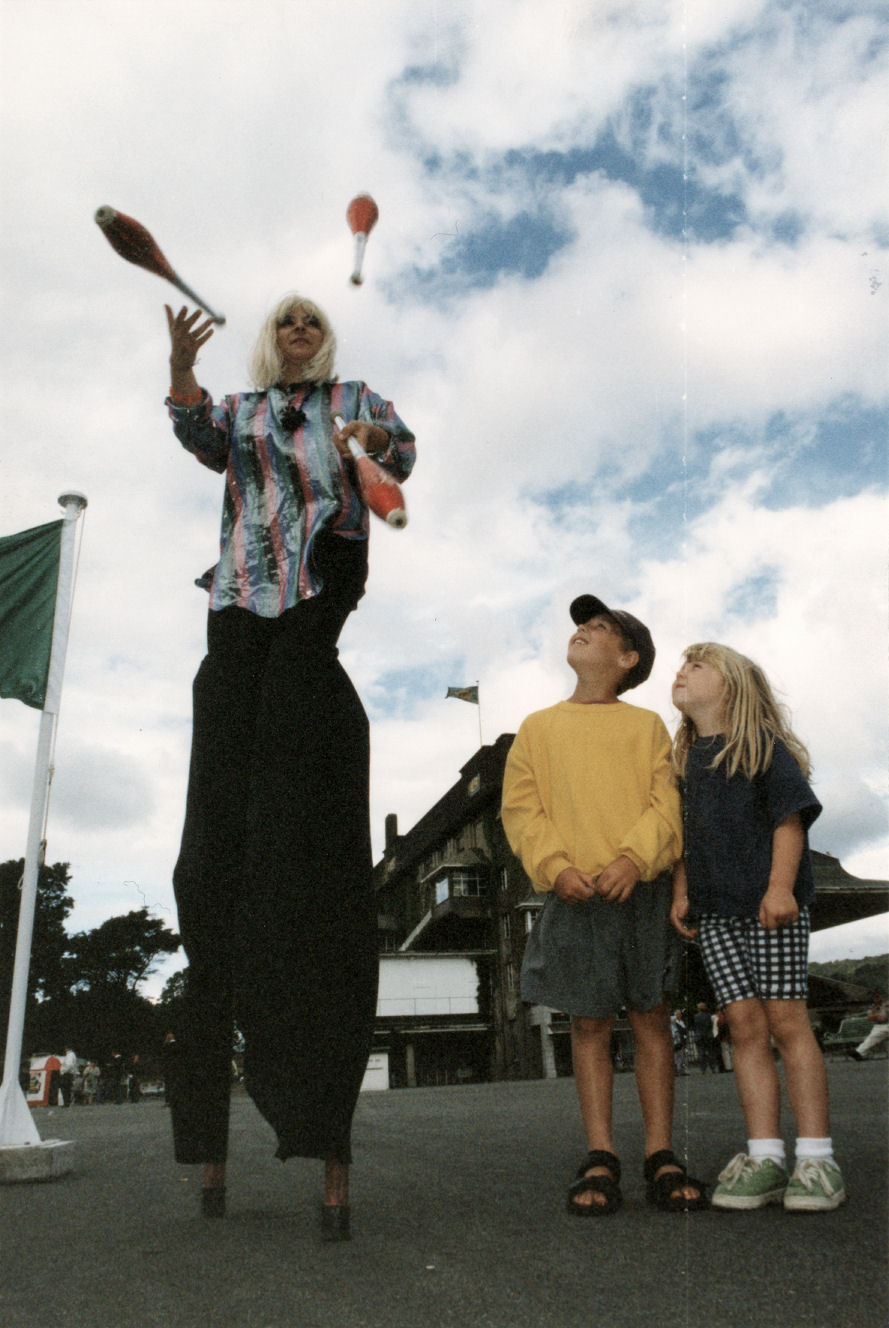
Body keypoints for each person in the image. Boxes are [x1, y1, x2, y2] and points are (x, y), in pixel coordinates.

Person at [164, 295, 415, 1237]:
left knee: (295, 857)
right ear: (271, 340)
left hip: (312, 609)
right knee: (213, 862)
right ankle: (211, 1142)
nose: (301, 329)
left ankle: (322, 1133)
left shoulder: (357, 396)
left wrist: (369, 445)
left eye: (313, 321)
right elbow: (194, 433)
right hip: (237, 615)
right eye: (288, 321)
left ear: (327, 339)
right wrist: (182, 370)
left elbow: (398, 461)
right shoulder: (240, 410)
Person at [502, 594, 708, 1216]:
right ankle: (600, 1153)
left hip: (639, 890)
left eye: (601, 629)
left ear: (627, 659)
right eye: (583, 626)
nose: (585, 632)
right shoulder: (537, 727)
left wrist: (632, 859)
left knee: (650, 1016)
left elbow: (667, 806)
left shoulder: (646, 727)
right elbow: (522, 809)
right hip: (574, 892)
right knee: (588, 1025)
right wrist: (555, 867)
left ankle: (660, 1153)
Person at [671, 642, 846, 1212]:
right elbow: (683, 842)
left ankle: (817, 1160)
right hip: (716, 911)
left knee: (787, 1021)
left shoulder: (763, 747)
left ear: (733, 684)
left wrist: (778, 887)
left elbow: (789, 820)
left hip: (770, 906)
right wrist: (681, 892)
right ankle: (766, 1156)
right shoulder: (684, 762)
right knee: (743, 1026)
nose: (682, 672)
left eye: (697, 665)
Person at [850, 992, 889, 1060]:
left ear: (881, 996)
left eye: (878, 997)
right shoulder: (872, 1007)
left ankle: (859, 1052)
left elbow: (884, 1016)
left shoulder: (886, 1003)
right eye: (875, 997)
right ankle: (859, 1052)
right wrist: (876, 1015)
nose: (876, 999)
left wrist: (884, 1010)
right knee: (871, 1038)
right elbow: (869, 1018)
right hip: (879, 1026)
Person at [692, 1002, 721, 1073]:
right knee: (711, 1052)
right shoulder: (709, 1016)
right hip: (708, 1036)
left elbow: (694, 1026)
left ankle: (703, 1069)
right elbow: (710, 1026)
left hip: (699, 1036)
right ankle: (713, 1068)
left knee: (701, 1053)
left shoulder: (696, 1016)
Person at [670, 1010, 688, 1075]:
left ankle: (681, 1070)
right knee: (676, 1056)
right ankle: (676, 1070)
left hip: (681, 1040)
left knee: (682, 1056)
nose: (679, 1016)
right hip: (675, 1041)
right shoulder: (673, 1022)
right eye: (677, 1014)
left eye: (680, 1014)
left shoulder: (682, 1022)